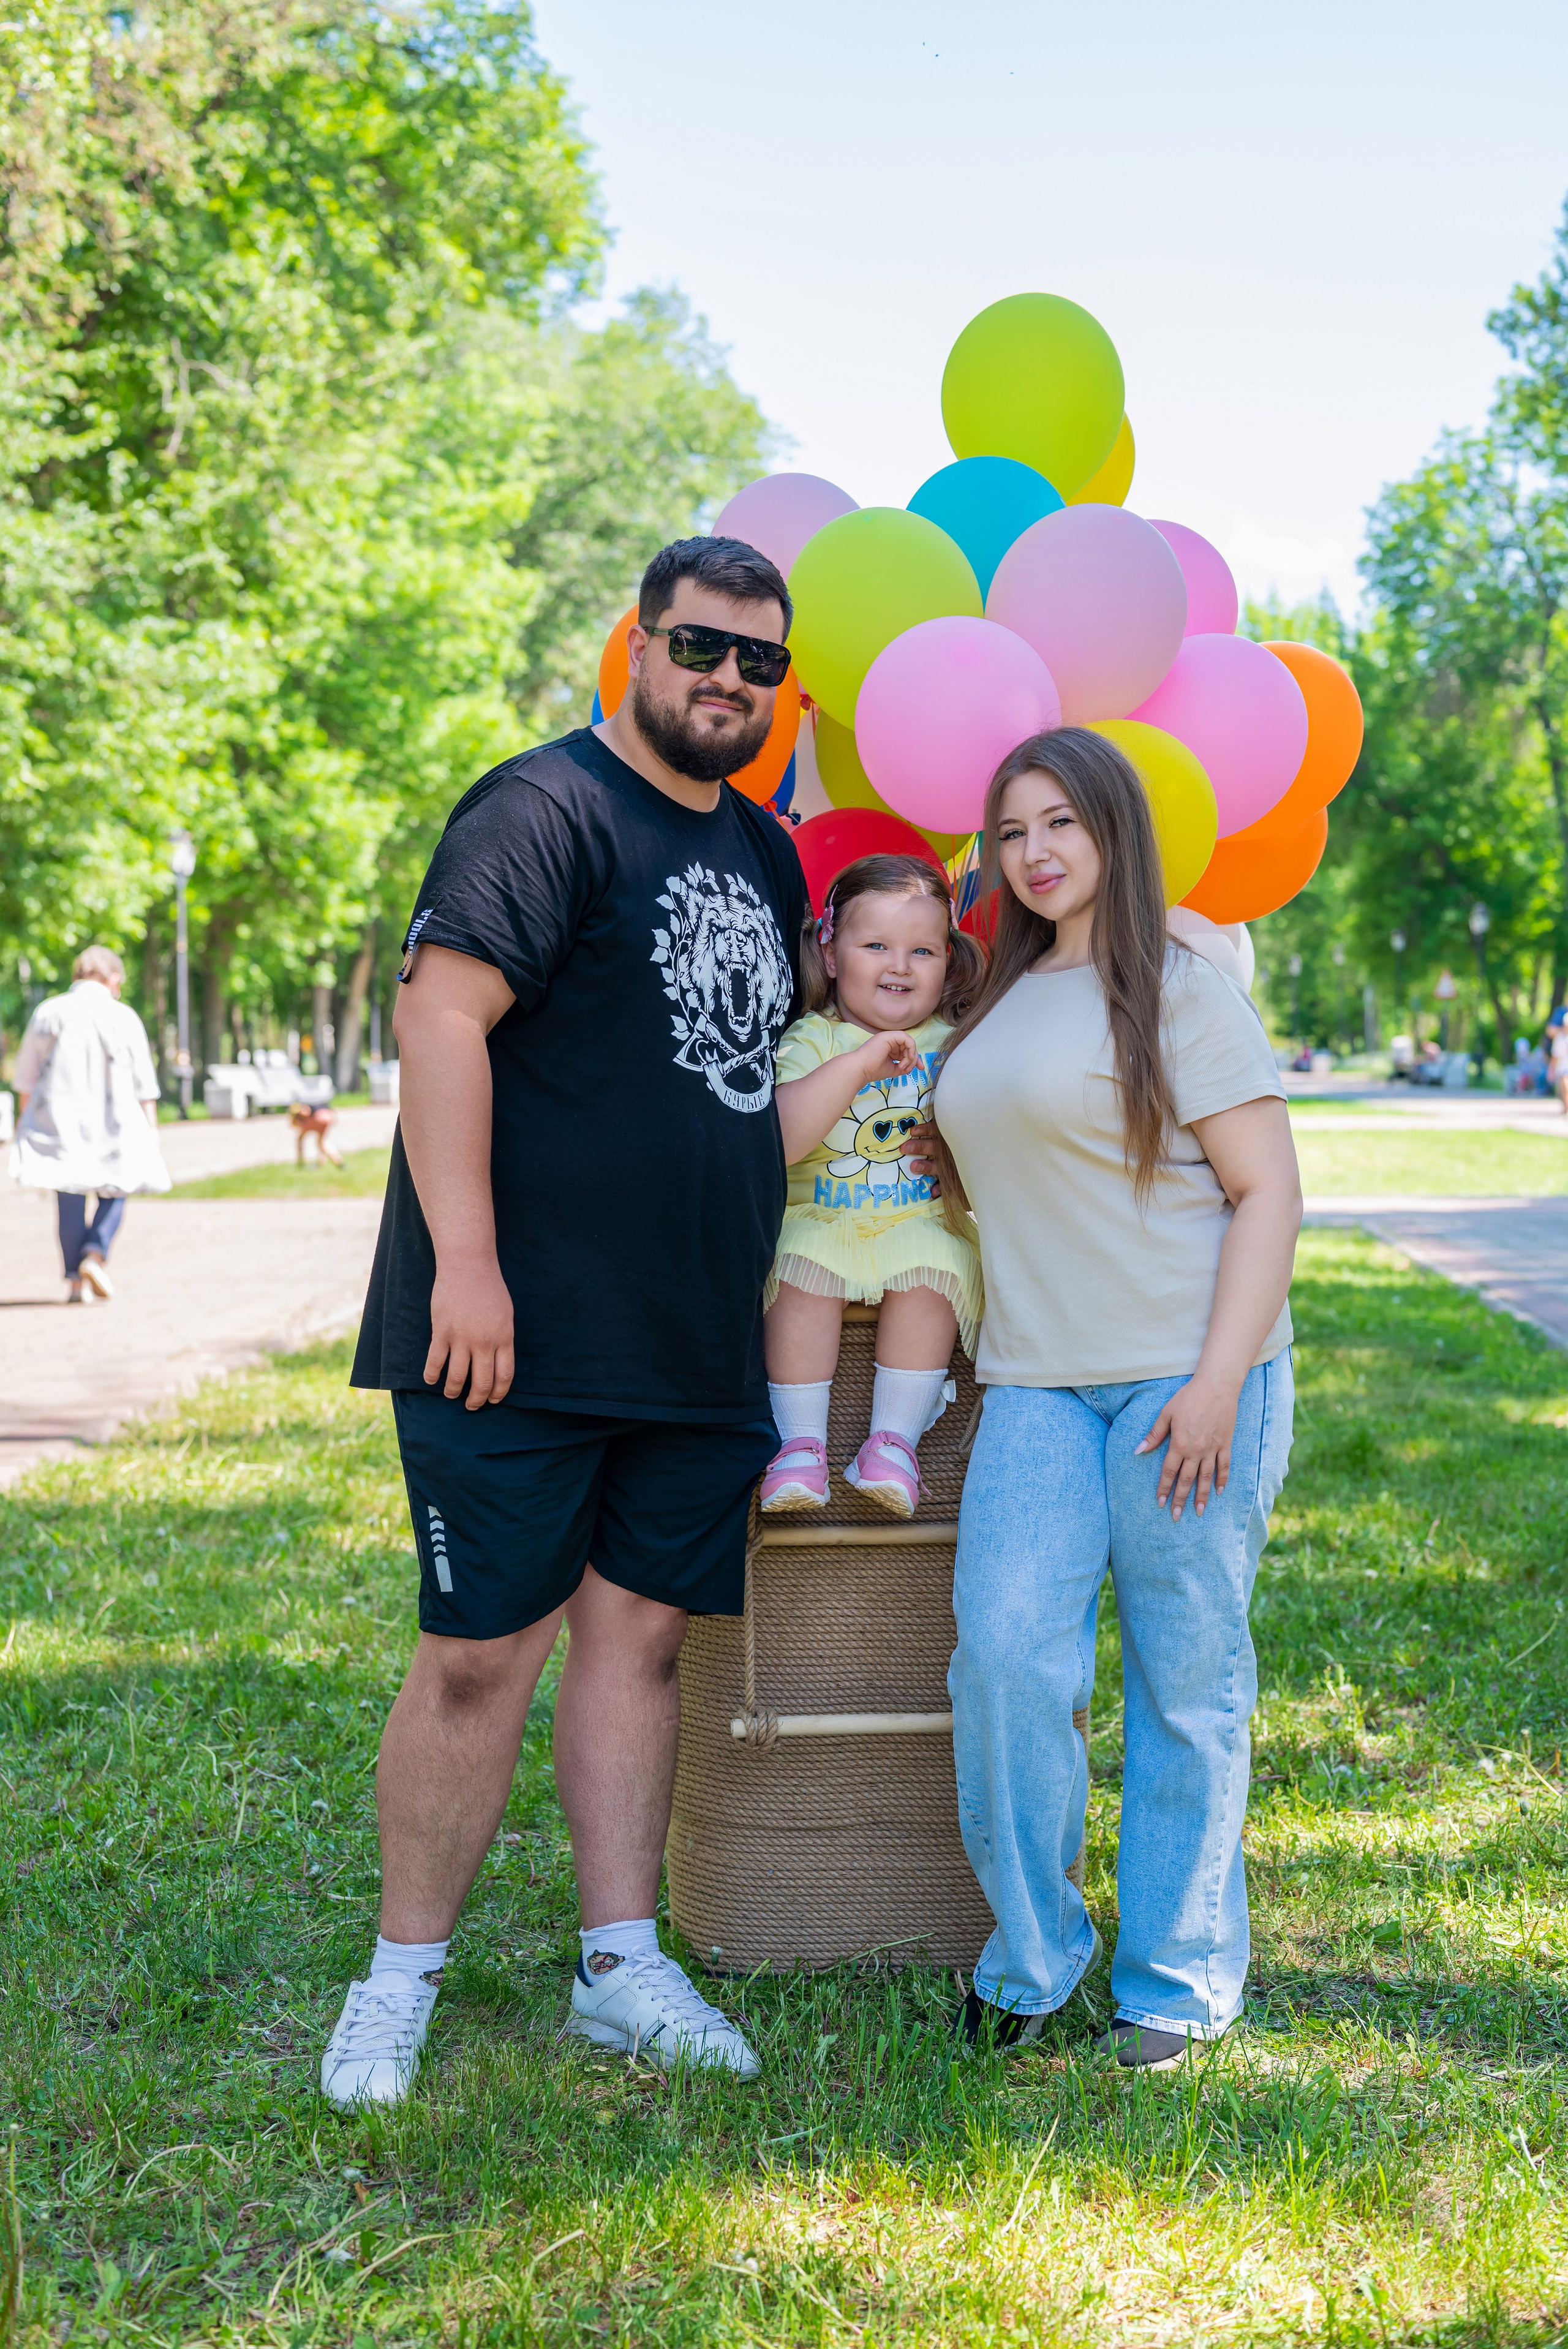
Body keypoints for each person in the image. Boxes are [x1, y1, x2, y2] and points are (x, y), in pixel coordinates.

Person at [328, 536, 809, 2107]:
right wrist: (464, 1265)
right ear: (638, 644)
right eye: (698, 645)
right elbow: (440, 1019)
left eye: (756, 660)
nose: (725, 679)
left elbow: (736, 1084)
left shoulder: (765, 853)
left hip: (692, 1333)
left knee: (642, 1643)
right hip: (514, 1330)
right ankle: (398, 1980)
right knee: (479, 1654)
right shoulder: (539, 808)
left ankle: (618, 1966)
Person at [930, 728, 1301, 2071]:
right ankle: (1033, 1958)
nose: (1032, 852)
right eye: (1009, 830)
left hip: (1183, 1378)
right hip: (1035, 1379)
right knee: (1004, 1656)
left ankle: (1177, 1982)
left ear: (1112, 833)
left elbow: (1268, 1192)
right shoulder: (991, 992)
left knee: (1182, 1679)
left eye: (1060, 824)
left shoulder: (1179, 986)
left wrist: (1216, 1384)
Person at [760, 854, 983, 1517]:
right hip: (822, 1221)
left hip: (917, 1222)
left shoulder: (955, 1045)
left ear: (948, 960)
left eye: (923, 950)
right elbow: (782, 1139)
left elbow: (989, 1140)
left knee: (937, 1268)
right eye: (876, 946)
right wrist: (858, 1063)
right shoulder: (814, 1039)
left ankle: (892, 1442)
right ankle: (800, 1445)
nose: (900, 966)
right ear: (831, 955)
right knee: (799, 1268)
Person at [8, 946, 169, 1297]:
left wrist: (25, 1123)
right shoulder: (123, 1017)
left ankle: (75, 1282)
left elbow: (26, 1077)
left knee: (69, 1195)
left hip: (59, 1122)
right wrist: (151, 1130)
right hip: (115, 1122)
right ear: (113, 979)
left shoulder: (49, 1012)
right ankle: (95, 1253)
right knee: (120, 1188)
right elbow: (145, 1083)